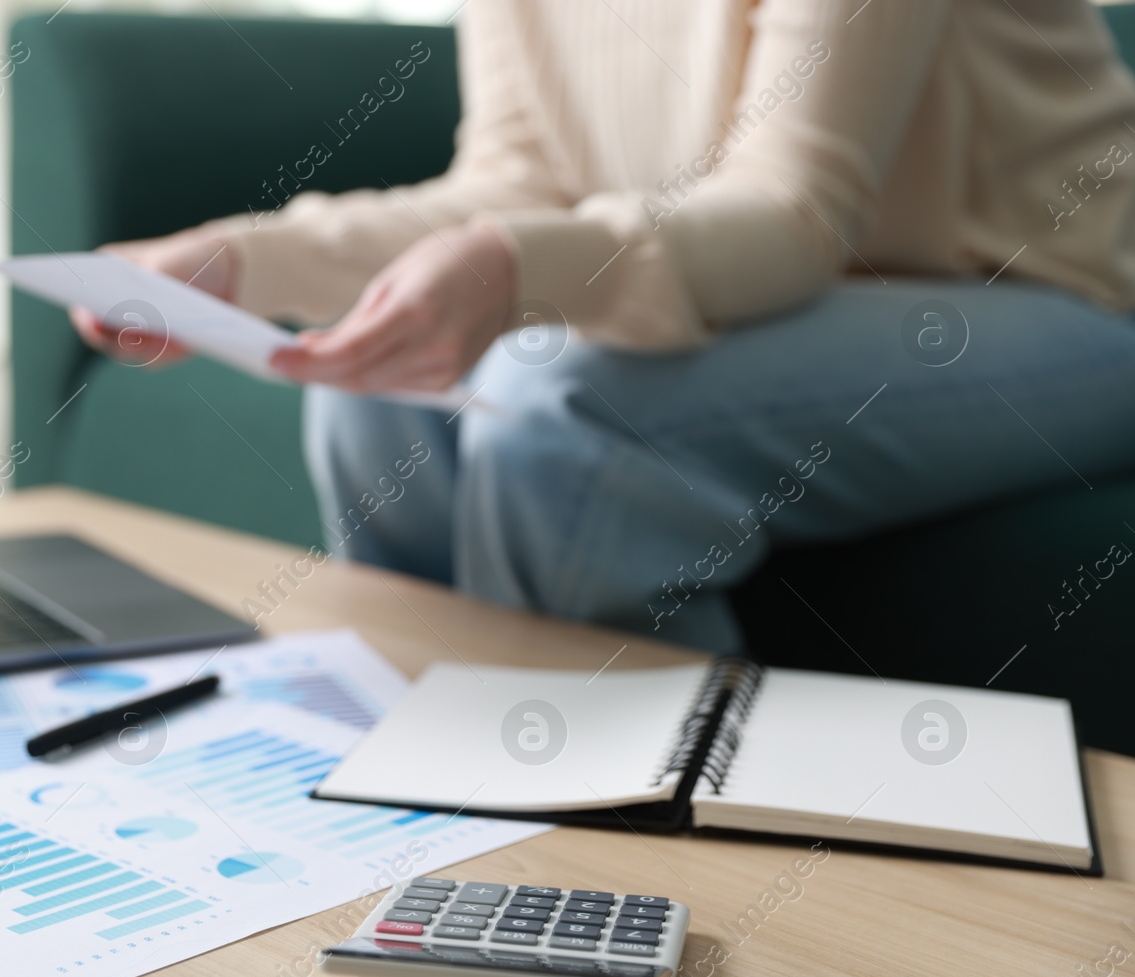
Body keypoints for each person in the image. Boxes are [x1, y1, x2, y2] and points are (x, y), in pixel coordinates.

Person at [72, 0, 1135, 652]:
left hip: (1061, 295)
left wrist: (515, 264)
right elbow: (511, 182)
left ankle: (635, 839)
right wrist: (245, 261)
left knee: (565, 405)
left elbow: (794, 208)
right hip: (806, 304)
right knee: (376, 390)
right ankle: (433, 797)